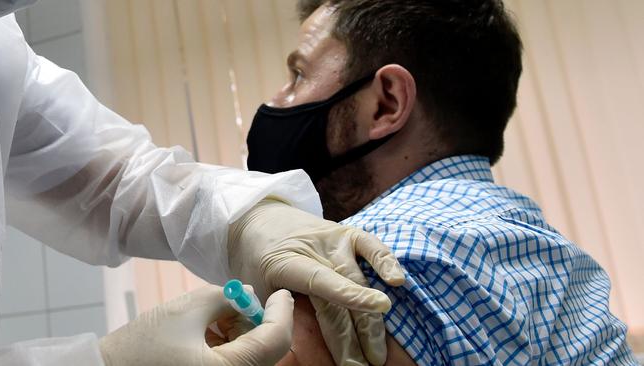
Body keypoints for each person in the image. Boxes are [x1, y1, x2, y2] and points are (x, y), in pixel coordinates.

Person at [0, 1, 407, 365]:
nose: (277, 99)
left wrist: (247, 219)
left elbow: (117, 178)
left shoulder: (1, 48)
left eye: (298, 75)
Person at [245, 0, 640, 365]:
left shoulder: (364, 264)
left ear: (387, 103)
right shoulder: (550, 254)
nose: (279, 98)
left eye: (298, 74)